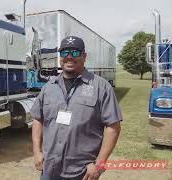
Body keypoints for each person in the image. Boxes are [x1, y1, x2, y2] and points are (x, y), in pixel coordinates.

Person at [31, 35, 122, 180]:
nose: (69, 57)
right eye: (65, 52)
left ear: (84, 56)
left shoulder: (101, 87)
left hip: (82, 173)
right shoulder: (49, 87)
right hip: (49, 169)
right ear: (60, 56)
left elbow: (113, 127)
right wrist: (37, 151)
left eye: (75, 52)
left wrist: (99, 165)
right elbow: (37, 119)